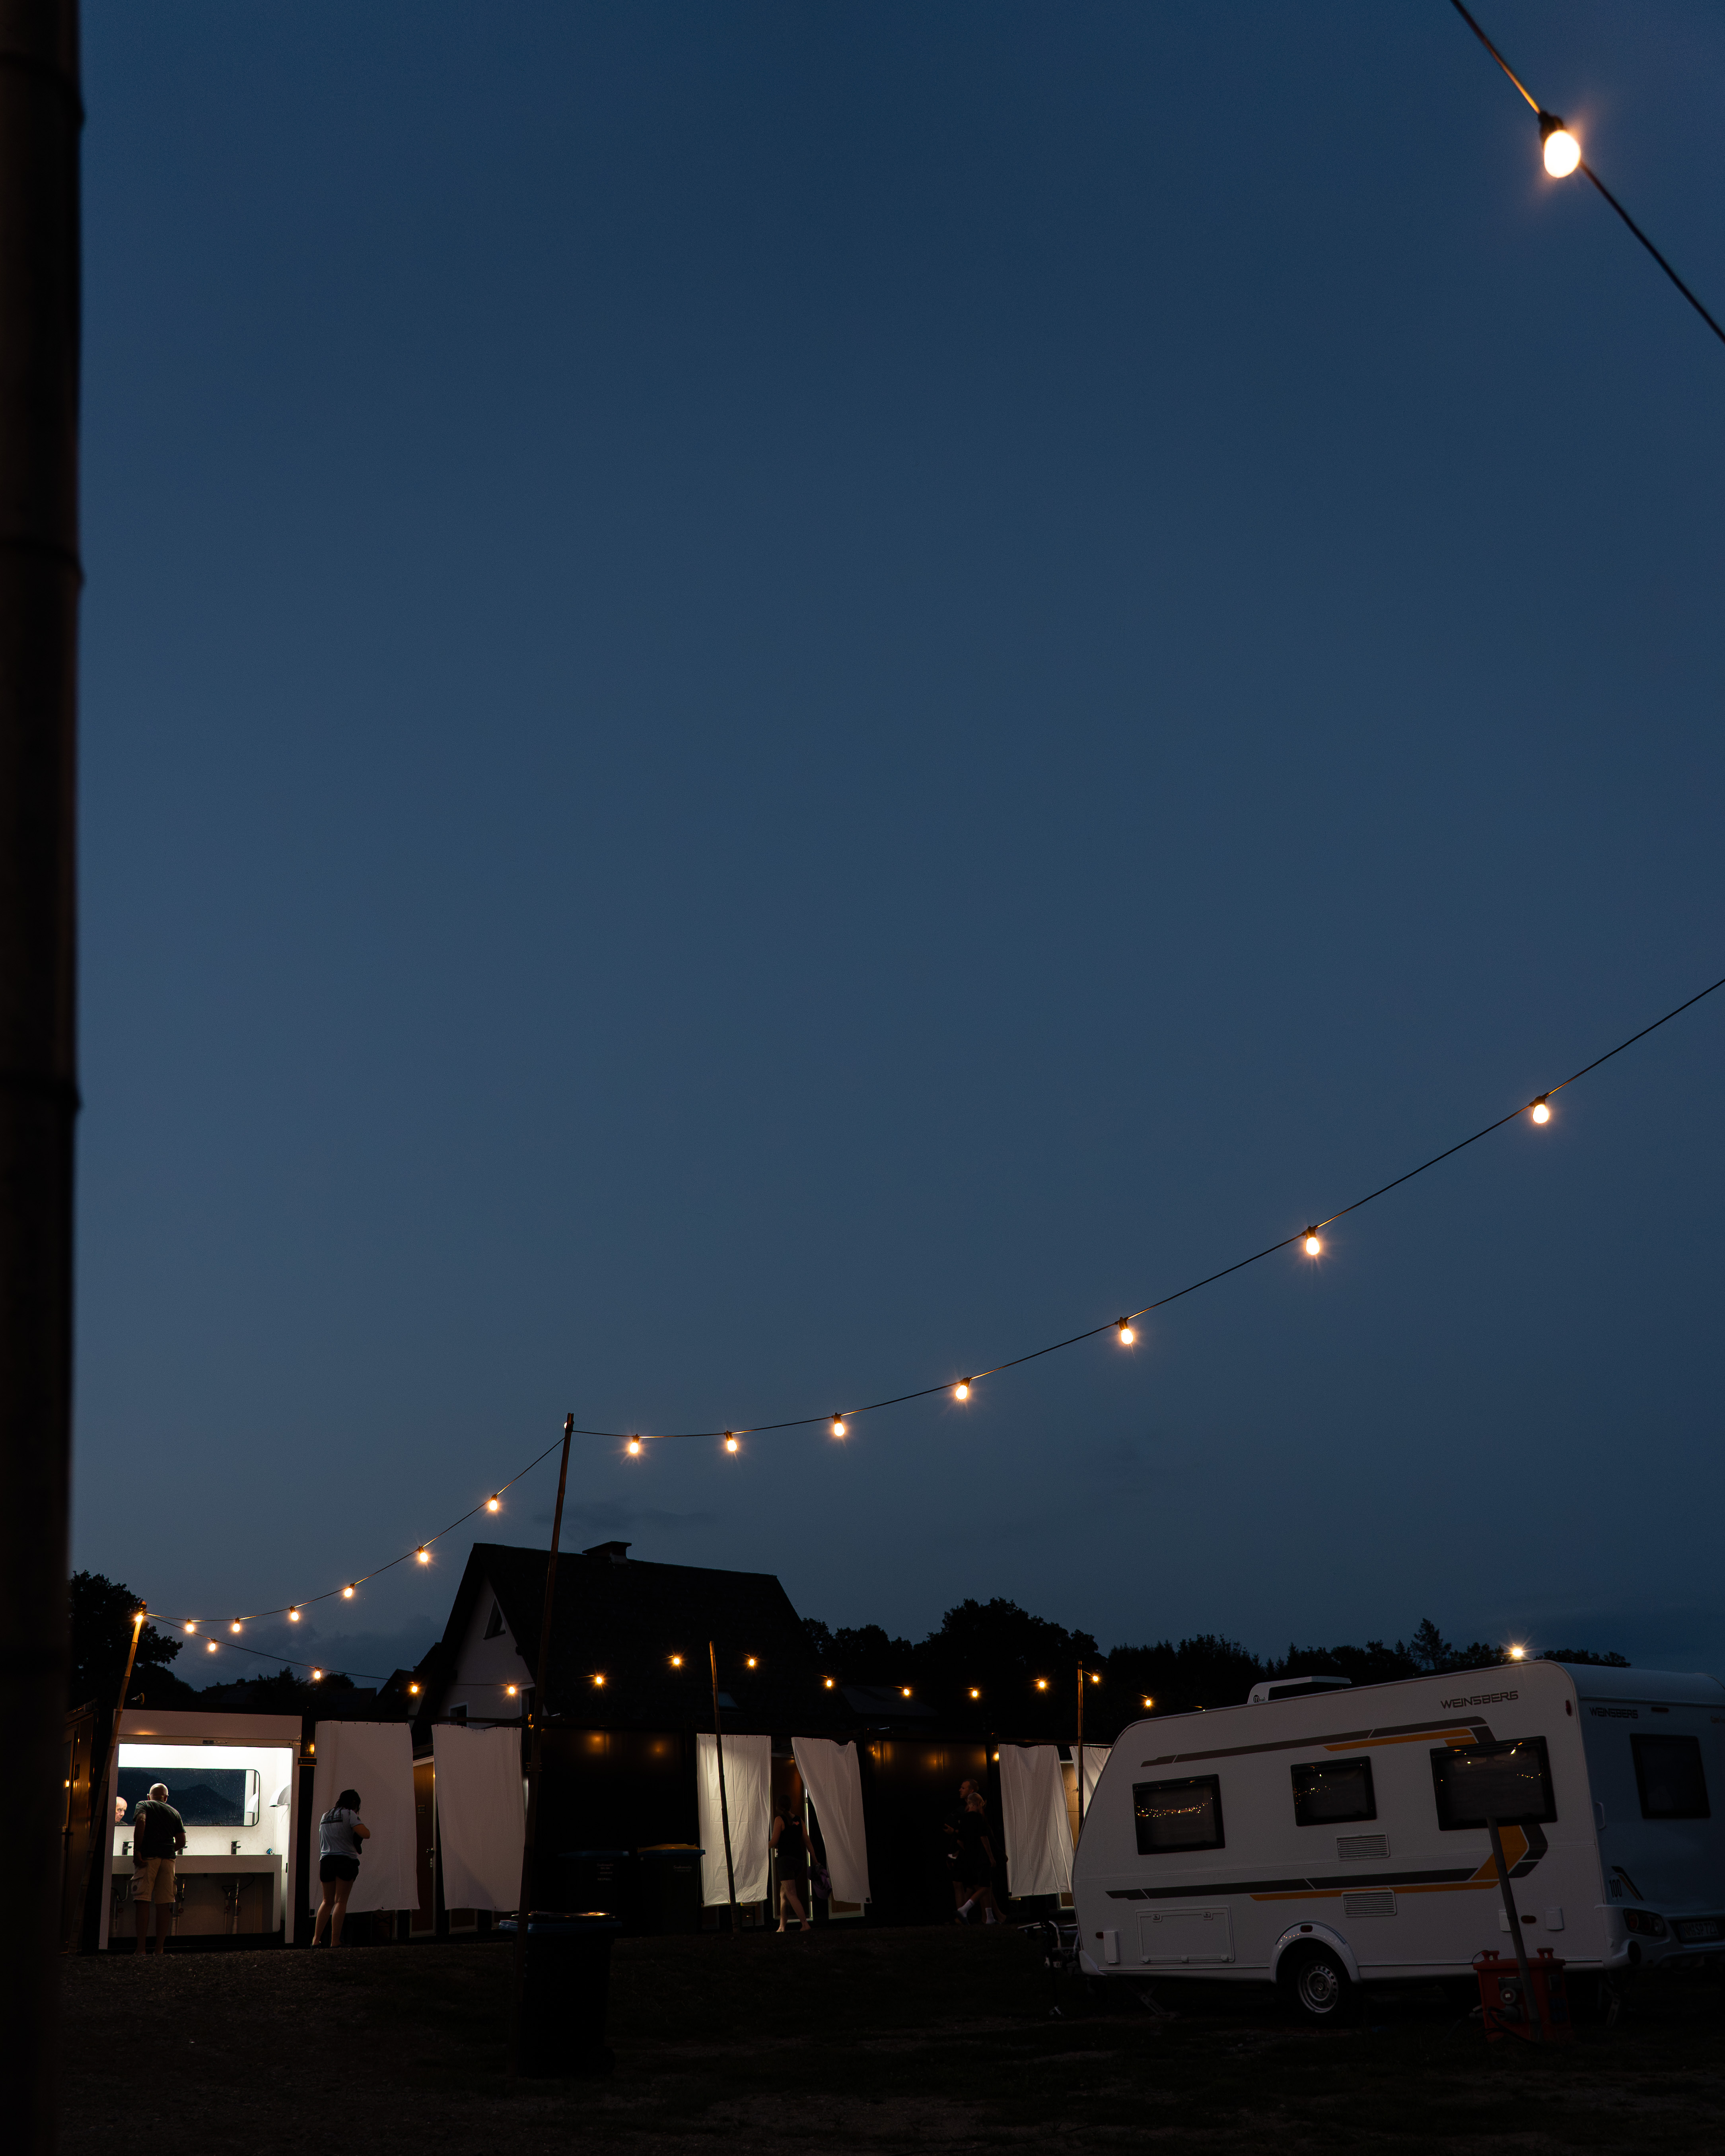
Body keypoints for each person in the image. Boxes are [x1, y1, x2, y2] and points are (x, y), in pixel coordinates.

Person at [131, 1782, 186, 1955]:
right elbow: (182, 1842)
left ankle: (141, 1950)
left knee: (143, 1900)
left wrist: (137, 1850)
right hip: (169, 1861)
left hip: (149, 1858)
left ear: (150, 1796)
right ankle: (159, 1950)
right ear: (166, 1798)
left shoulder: (144, 1805)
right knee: (164, 1904)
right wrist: (168, 1850)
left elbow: (141, 1821)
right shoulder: (174, 1812)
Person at [312, 1787, 370, 1948]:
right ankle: (335, 1941)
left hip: (326, 1862)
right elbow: (366, 1834)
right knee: (341, 1901)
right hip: (345, 1861)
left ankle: (316, 1940)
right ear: (353, 1803)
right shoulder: (349, 1814)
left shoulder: (326, 1816)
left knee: (327, 1901)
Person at [954, 1789, 1003, 1925]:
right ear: (977, 1804)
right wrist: (991, 1857)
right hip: (981, 1857)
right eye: (981, 1805)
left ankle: (990, 1917)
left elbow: (960, 1841)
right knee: (986, 1887)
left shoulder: (963, 1819)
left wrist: (968, 1851)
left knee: (983, 1885)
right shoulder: (978, 1818)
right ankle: (965, 1909)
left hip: (970, 1858)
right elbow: (984, 1838)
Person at [770, 1781, 813, 1935]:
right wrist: (815, 1860)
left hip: (786, 1862)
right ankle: (782, 1927)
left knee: (791, 1893)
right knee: (784, 1893)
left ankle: (805, 1924)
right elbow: (807, 1841)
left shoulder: (779, 1820)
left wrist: (761, 1847)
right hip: (799, 1862)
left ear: (778, 1806)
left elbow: (775, 1842)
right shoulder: (799, 1820)